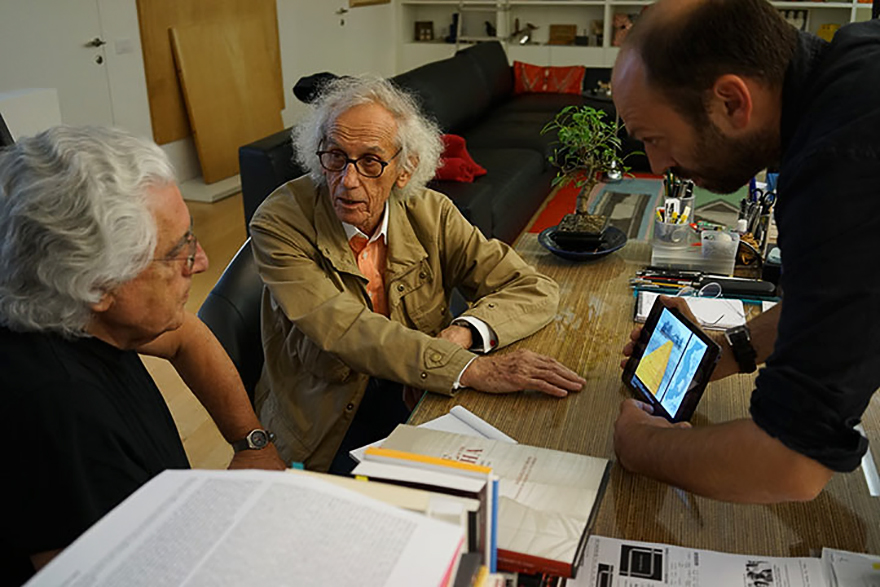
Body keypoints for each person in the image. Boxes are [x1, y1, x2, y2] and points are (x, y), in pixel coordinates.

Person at [611, 0, 880, 503]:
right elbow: (830, 303)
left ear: (732, 102)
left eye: (655, 137)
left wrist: (639, 444)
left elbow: (787, 465)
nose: (656, 164)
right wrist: (727, 349)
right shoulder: (846, 76)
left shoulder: (845, 160)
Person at [250, 75, 585, 473]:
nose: (347, 180)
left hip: (422, 387)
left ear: (405, 169)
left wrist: (461, 332)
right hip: (323, 421)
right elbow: (344, 328)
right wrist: (465, 365)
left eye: (370, 161)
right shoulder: (280, 221)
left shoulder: (433, 213)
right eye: (335, 156)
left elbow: (533, 288)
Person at [0, 126, 285, 584]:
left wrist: (253, 443)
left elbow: (185, 334)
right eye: (179, 251)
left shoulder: (62, 305)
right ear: (96, 285)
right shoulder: (59, 414)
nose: (202, 261)